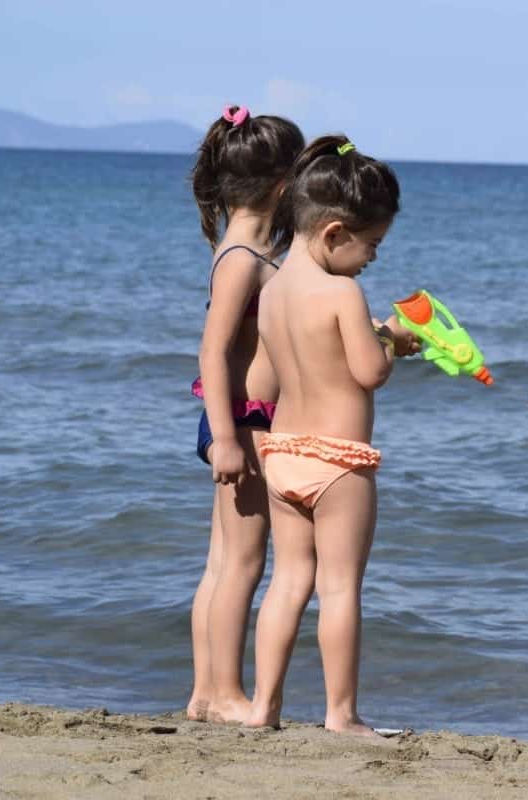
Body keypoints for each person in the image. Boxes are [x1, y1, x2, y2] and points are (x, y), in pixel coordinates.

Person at [243, 136, 417, 733]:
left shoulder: (269, 295)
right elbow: (370, 373)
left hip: (283, 453)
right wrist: (392, 338)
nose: (372, 259)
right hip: (339, 463)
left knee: (288, 581)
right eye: (371, 245)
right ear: (334, 233)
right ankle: (340, 713)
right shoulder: (344, 291)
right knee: (340, 588)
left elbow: (262, 381)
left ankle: (264, 705)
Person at [186, 105, 304, 723]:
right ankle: (226, 691)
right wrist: (228, 439)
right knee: (244, 561)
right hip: (244, 421)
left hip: (243, 419)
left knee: (222, 561)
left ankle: (207, 693)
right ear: (285, 187)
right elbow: (212, 346)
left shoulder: (251, 251)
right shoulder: (242, 258)